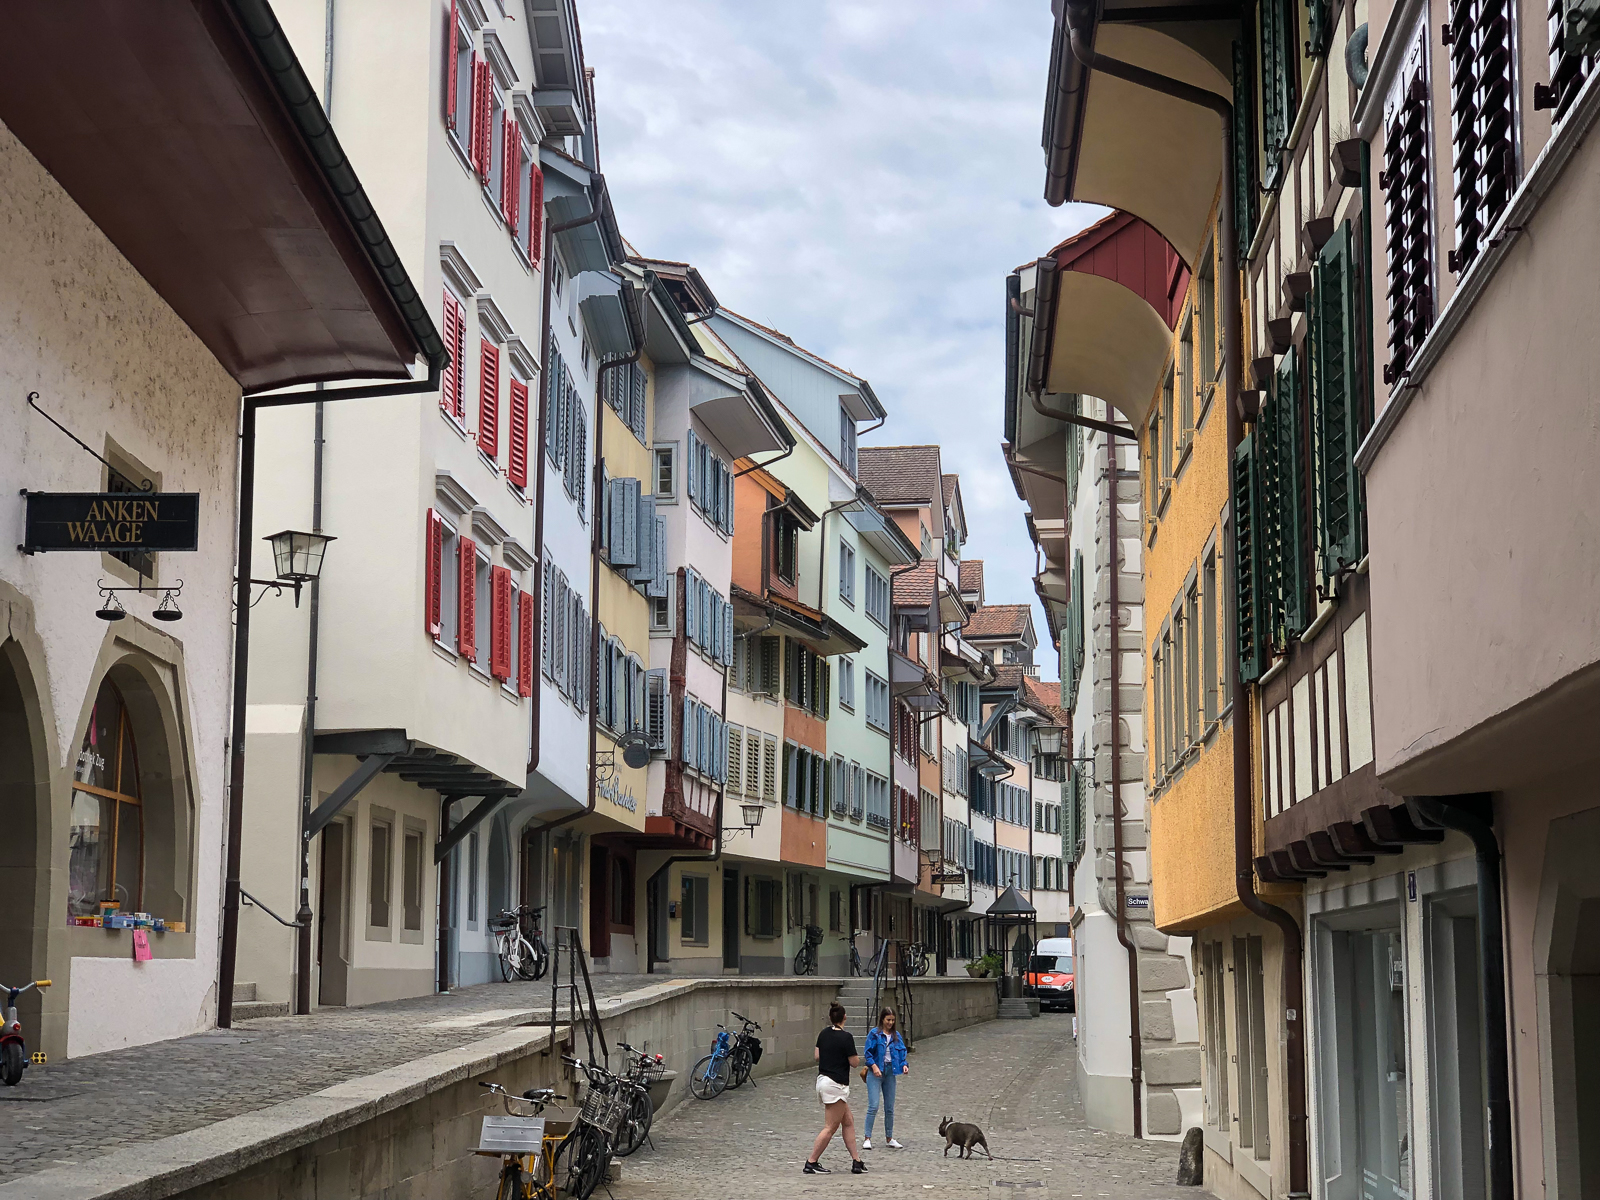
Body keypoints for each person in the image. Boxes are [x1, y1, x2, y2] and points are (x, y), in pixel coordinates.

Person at [806, 1002, 866, 1175]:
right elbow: (854, 1063)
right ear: (844, 1017)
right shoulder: (846, 1037)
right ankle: (811, 1162)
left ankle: (856, 1161)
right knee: (830, 1127)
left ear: (830, 1018)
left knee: (848, 1121)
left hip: (823, 1080)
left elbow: (817, 1056)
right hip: (835, 1084)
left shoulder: (823, 1033)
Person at [861, 1006, 909, 1149]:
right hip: (875, 1072)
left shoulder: (896, 1036)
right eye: (888, 1020)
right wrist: (874, 1066)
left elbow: (902, 1052)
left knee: (889, 1107)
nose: (890, 1023)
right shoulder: (874, 1034)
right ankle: (867, 1138)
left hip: (890, 1072)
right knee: (873, 1105)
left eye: (893, 1020)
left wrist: (904, 1065)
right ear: (882, 1019)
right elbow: (868, 1053)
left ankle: (889, 1137)